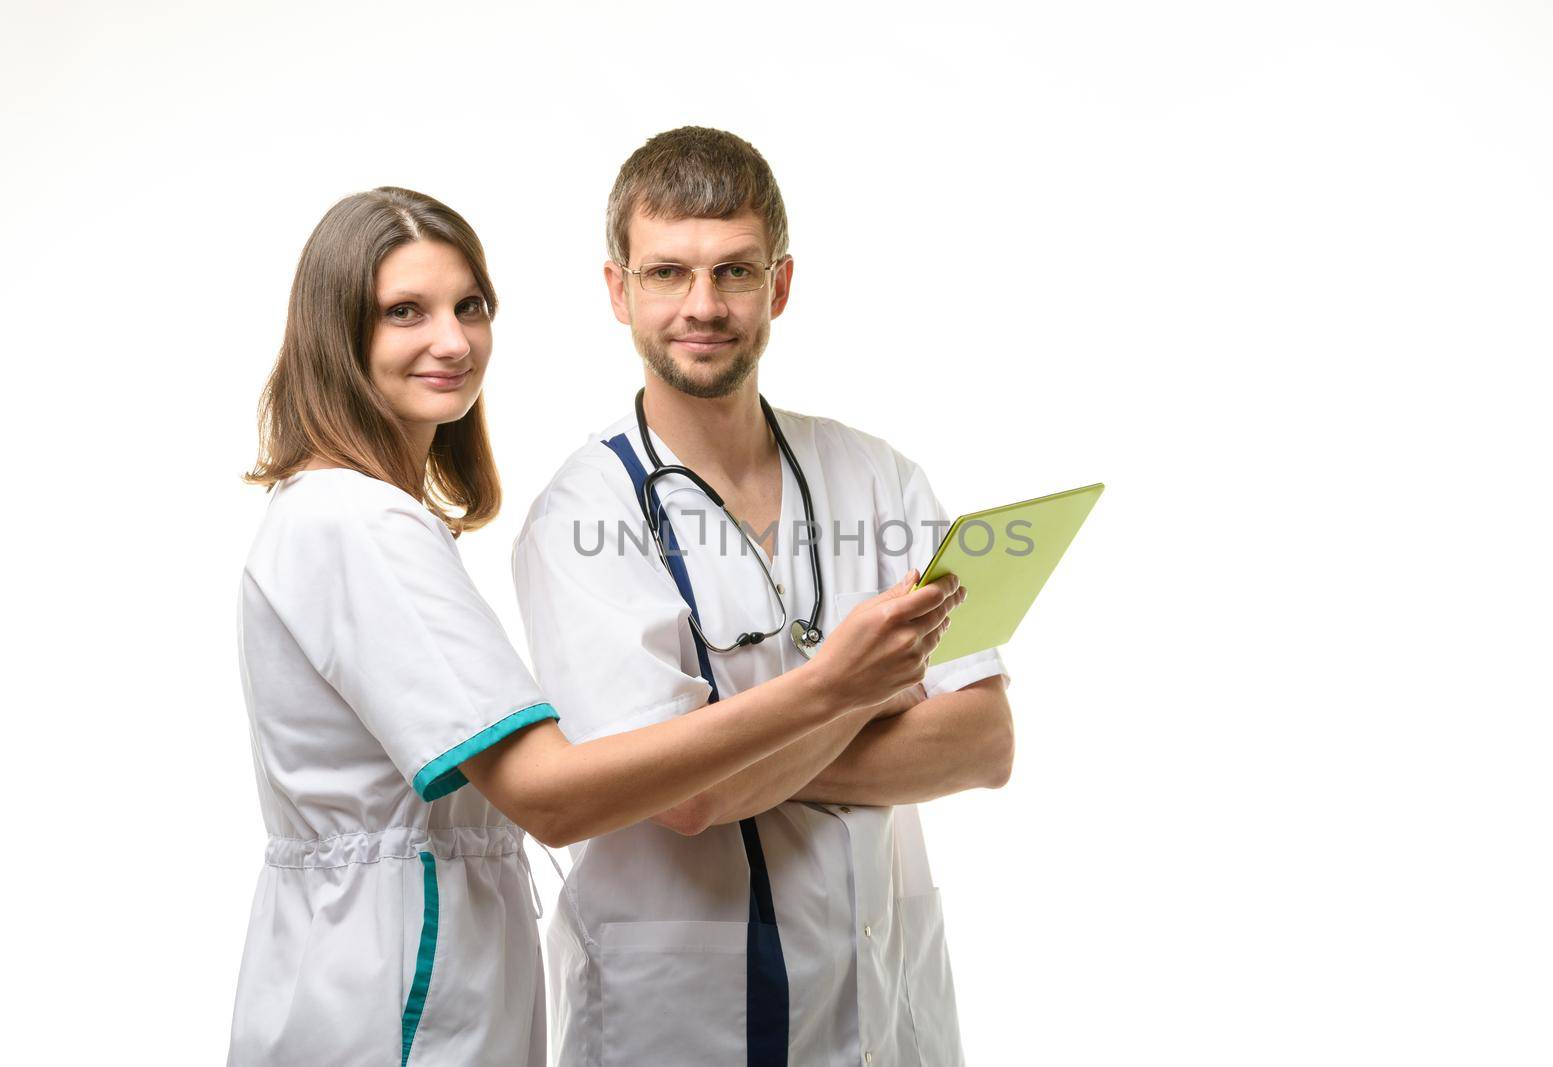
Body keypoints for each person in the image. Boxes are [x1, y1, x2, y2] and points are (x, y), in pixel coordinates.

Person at [229, 186, 962, 1067]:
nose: (454, 341)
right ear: (336, 334)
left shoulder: (371, 518)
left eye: (471, 306)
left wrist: (763, 747)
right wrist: (841, 687)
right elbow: (555, 795)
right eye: (403, 312)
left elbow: (985, 742)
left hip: (417, 968)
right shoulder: (358, 524)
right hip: (389, 997)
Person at [512, 128, 1014, 1067]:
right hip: (684, 1020)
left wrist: (731, 750)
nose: (703, 306)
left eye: (734, 272)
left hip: (888, 1006)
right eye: (667, 273)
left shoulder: (881, 476)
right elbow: (689, 799)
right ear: (618, 289)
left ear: (779, 285)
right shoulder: (583, 515)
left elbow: (985, 742)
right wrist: (865, 686)